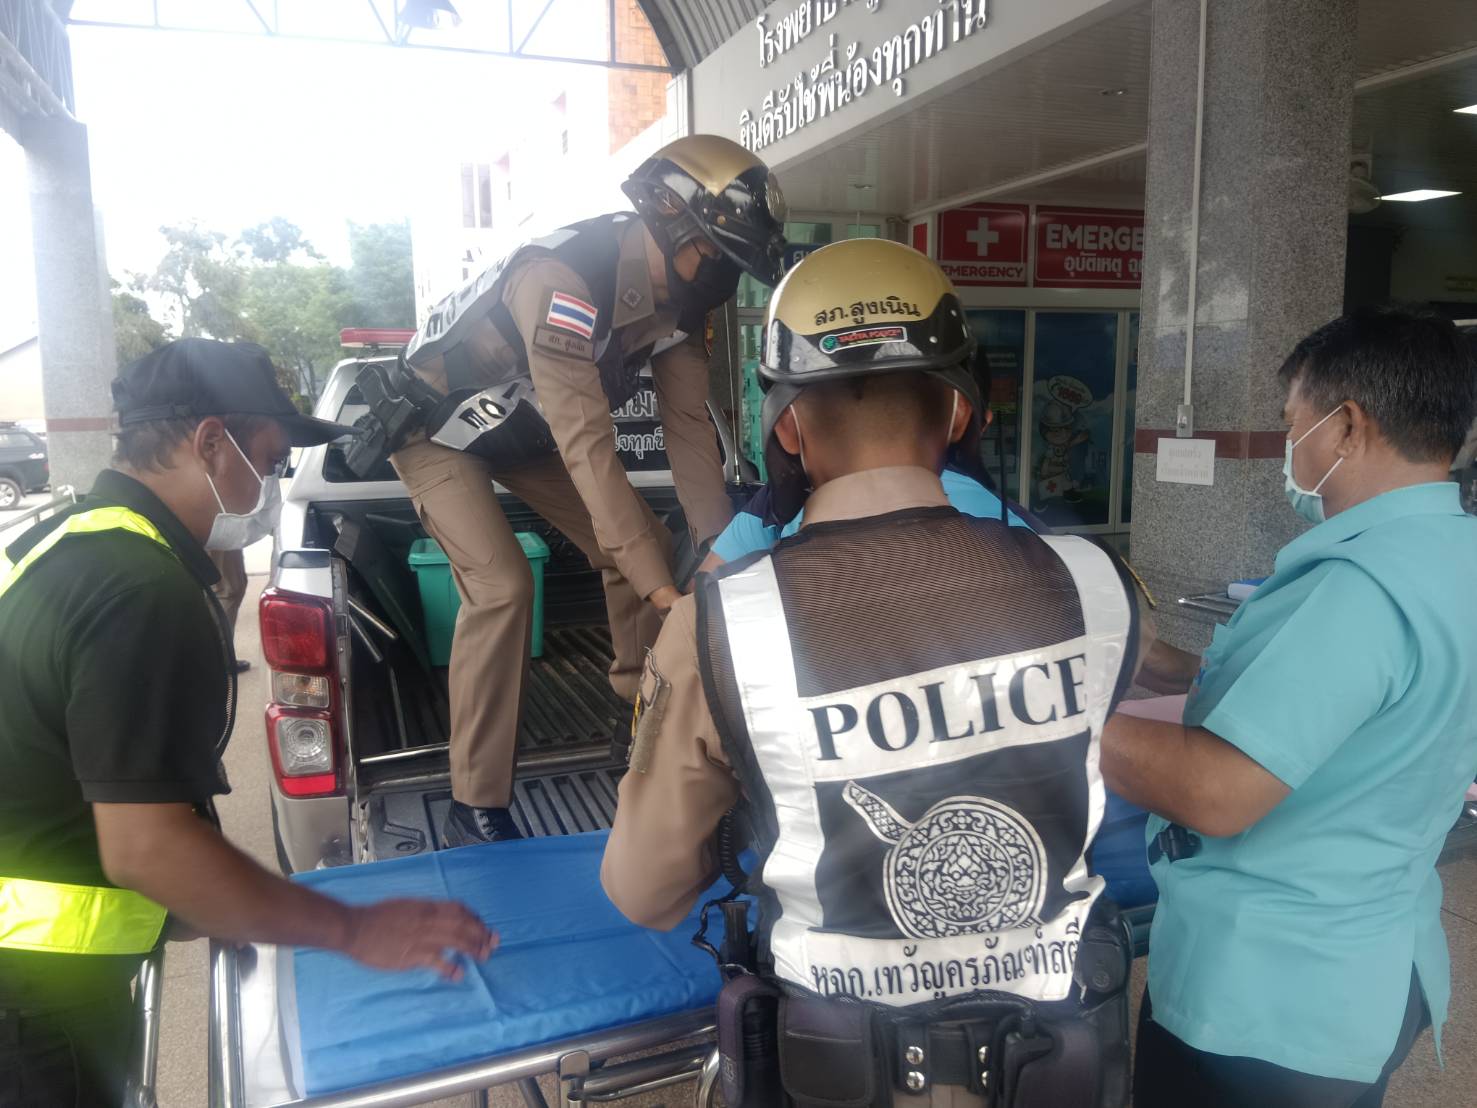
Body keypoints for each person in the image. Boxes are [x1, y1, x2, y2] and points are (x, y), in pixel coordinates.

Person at [602, 240, 1140, 1107]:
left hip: (841, 1069)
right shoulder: (1094, 582)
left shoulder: (718, 624)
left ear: (785, 426)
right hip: (1055, 1058)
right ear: (959, 413)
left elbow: (645, 891)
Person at [0, 339, 495, 1106]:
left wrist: (215, 897)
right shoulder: (140, 592)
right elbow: (147, 847)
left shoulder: (67, 542)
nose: (272, 484)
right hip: (38, 996)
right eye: (267, 461)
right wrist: (355, 931)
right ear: (209, 442)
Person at [355, 135, 786, 846]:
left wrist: (718, 560)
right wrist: (666, 597)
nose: (724, 279)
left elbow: (688, 431)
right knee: (502, 587)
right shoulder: (561, 281)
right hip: (435, 430)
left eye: (736, 267)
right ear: (672, 223)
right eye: (718, 256)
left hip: (517, 433)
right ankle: (475, 804)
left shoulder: (687, 301)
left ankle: (641, 722)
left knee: (644, 547)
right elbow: (588, 444)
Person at [1105, 307, 1477, 1107]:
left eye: (1289, 424)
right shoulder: (1453, 557)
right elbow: (1345, 712)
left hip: (1266, 998)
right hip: (1372, 966)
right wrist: (1160, 665)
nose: (1287, 446)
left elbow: (1217, 790)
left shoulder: (1360, 588)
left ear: (1345, 426)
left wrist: (1043, 712)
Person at [209, 548, 251, 673]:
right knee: (227, 589)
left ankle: (219, 658)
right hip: (217, 540)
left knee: (223, 588)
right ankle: (222, 660)